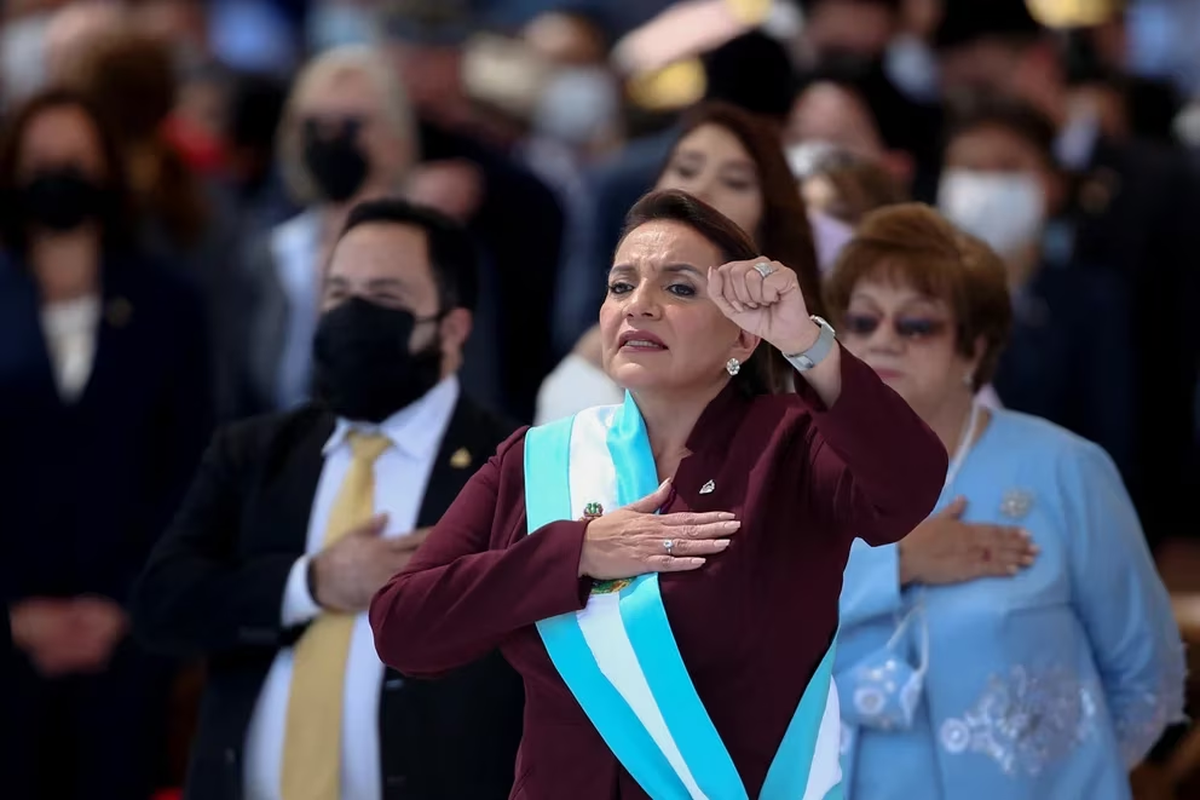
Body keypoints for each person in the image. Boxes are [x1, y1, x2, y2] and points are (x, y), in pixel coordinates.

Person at [369, 189, 948, 799]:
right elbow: (404, 629)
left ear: (743, 338)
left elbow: (908, 488)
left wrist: (804, 339)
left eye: (678, 288)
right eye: (621, 286)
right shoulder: (537, 461)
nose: (639, 305)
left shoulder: (793, 443)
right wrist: (577, 553)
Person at [131, 199, 524, 800]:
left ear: (452, 328)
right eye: (338, 294)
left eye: (385, 297)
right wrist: (309, 583)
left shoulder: (515, 467)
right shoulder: (257, 452)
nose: (353, 316)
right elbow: (163, 605)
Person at [826, 203, 1184, 800]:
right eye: (861, 322)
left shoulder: (1066, 469)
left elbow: (1146, 677)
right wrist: (896, 563)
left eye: (916, 326)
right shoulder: (796, 470)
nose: (882, 341)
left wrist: (1065, 779)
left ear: (973, 349)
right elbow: (746, 629)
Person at [0, 88, 214, 800]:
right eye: (39, 162)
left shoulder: (169, 305)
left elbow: (188, 471)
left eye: (75, 160)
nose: (57, 176)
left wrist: (120, 604)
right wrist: (16, 614)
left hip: (126, 644)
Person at [537, 101, 822, 424]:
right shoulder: (594, 372)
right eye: (686, 170)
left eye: (735, 181)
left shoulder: (814, 356)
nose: (700, 189)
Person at [937, 99, 1134, 480]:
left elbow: (1111, 434)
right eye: (970, 169)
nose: (987, 186)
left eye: (1008, 168)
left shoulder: (1093, 300)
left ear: (1053, 185)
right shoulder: (912, 300)